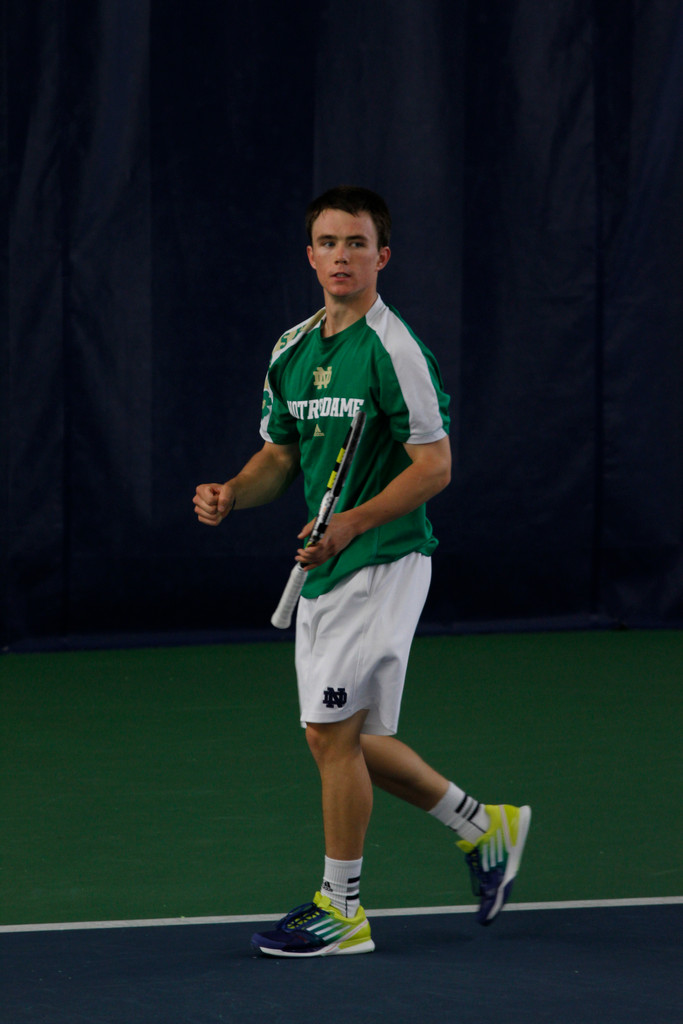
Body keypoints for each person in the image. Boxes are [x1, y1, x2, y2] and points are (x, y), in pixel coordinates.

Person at [193, 185, 530, 957]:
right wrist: (232, 495)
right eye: (328, 242)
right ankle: (483, 826)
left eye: (356, 243)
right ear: (309, 254)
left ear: (383, 256)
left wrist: (348, 523)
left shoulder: (393, 349)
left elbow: (434, 467)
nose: (341, 255)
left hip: (382, 557)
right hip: (327, 565)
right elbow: (279, 455)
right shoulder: (292, 349)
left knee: (329, 733)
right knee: (338, 738)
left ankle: (341, 909)